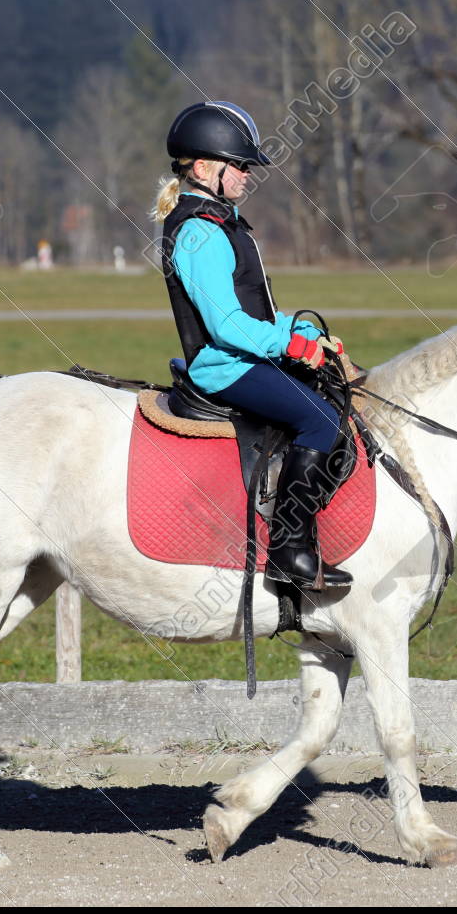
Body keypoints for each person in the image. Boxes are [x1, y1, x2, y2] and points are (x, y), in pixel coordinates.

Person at [152, 100, 352, 590]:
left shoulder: (226, 222)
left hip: (243, 354)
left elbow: (257, 312)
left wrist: (302, 335)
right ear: (203, 168)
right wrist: (290, 349)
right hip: (223, 366)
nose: (246, 174)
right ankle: (289, 548)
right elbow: (227, 327)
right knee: (320, 417)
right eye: (238, 166)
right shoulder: (199, 232)